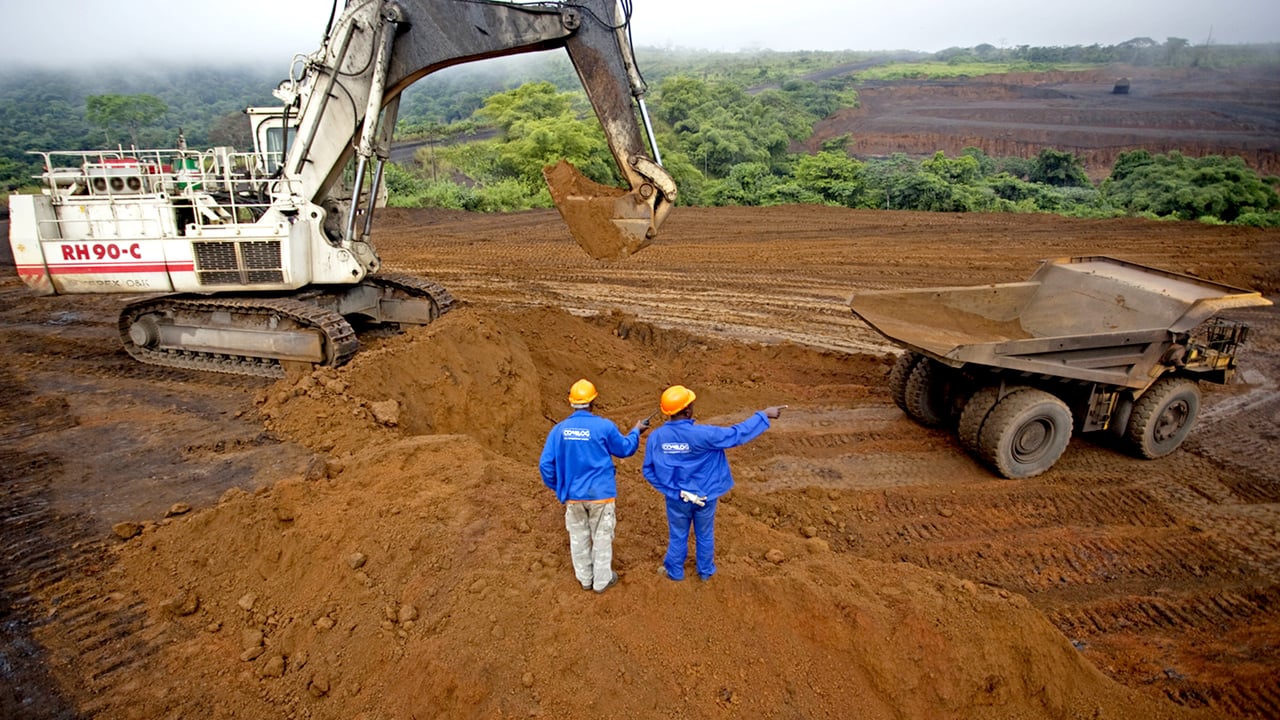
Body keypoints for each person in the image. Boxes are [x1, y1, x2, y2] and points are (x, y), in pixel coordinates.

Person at [643, 385, 784, 582]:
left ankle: (675, 572)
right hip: (705, 496)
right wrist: (764, 415)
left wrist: (674, 492)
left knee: (678, 535)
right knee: (705, 534)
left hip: (677, 499)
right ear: (687, 411)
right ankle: (705, 573)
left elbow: (648, 470)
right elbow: (736, 434)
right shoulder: (704, 434)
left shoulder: (656, 437)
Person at [539, 379, 650, 594]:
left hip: (573, 495)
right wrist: (636, 431)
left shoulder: (559, 430)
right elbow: (625, 449)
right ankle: (601, 582)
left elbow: (545, 465)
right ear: (593, 402)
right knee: (602, 536)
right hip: (601, 494)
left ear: (572, 403)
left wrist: (560, 487)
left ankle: (585, 580)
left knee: (578, 537)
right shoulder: (604, 426)